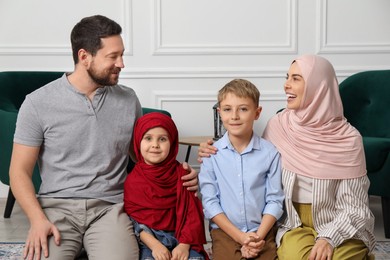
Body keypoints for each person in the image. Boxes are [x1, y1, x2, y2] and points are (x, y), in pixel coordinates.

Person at [9, 15, 198, 260]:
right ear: (84, 56)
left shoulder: (128, 99)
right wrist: (37, 220)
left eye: (122, 55)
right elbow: (18, 171)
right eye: (113, 57)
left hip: (111, 208)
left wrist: (181, 173)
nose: (121, 64)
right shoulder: (37, 103)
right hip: (57, 208)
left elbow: (141, 155)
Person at [198, 55, 376, 260]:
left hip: (338, 222)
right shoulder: (279, 126)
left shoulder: (349, 139)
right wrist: (209, 149)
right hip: (294, 222)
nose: (286, 85)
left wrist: (328, 238)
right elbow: (247, 159)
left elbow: (355, 207)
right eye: (287, 77)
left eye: (296, 78)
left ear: (318, 86)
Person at [198, 79, 284, 260]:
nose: (235, 116)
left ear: (257, 113)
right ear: (220, 113)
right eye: (228, 109)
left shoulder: (270, 153)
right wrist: (241, 237)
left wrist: (257, 237)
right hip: (225, 233)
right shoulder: (211, 155)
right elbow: (210, 203)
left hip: (261, 231)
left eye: (243, 109)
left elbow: (275, 200)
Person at [124, 112, 209, 260]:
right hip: (149, 241)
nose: (155, 145)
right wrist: (155, 245)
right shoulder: (133, 180)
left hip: (182, 235)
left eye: (162, 139)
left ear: (172, 142)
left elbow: (192, 214)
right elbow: (134, 221)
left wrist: (184, 244)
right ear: (138, 141)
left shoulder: (182, 174)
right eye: (148, 138)